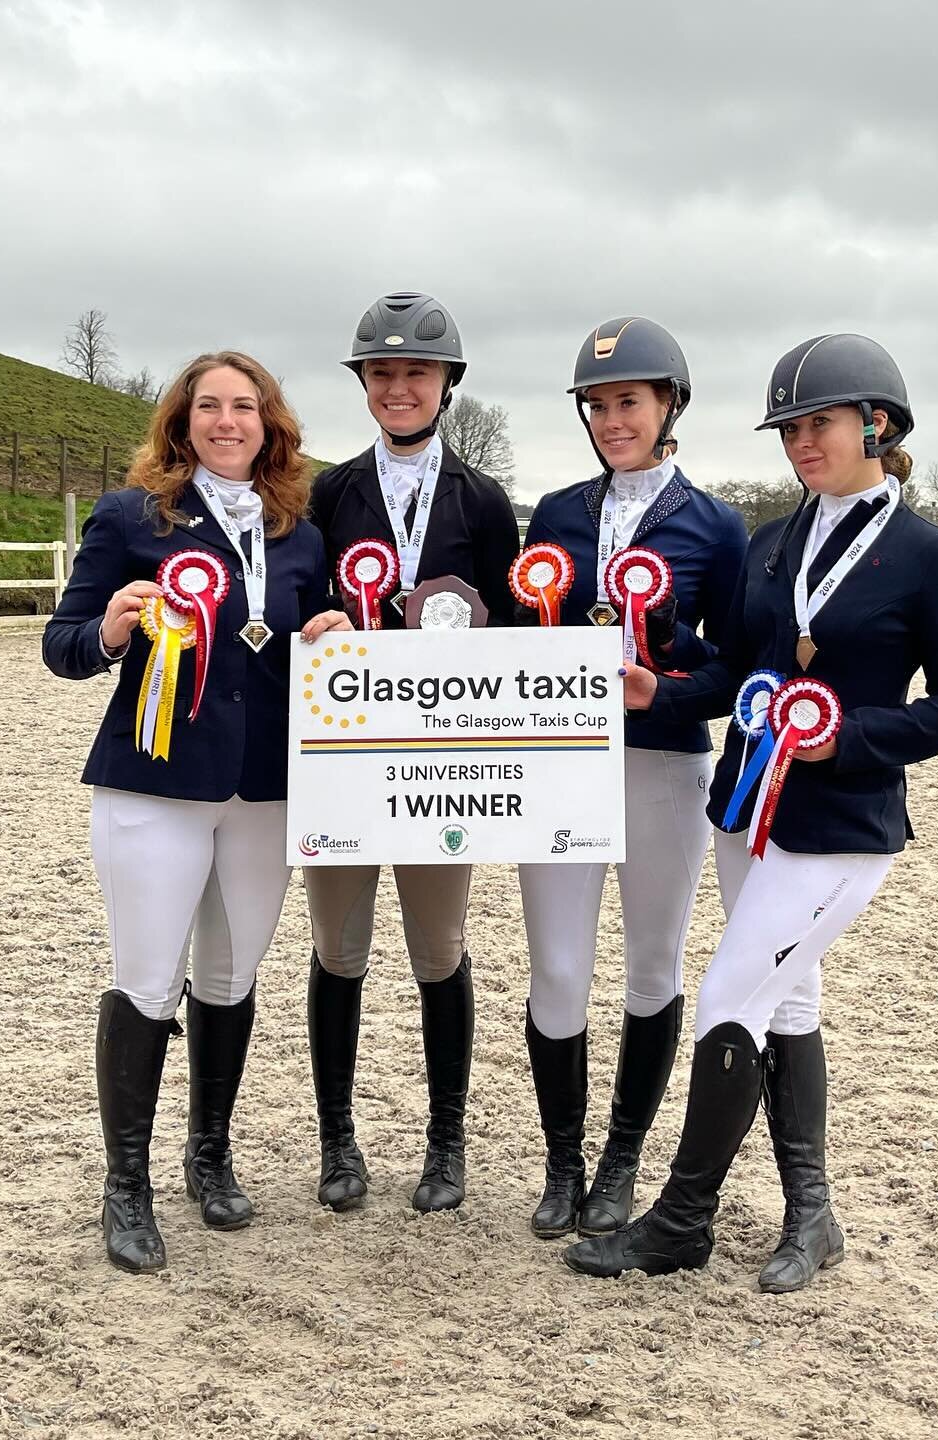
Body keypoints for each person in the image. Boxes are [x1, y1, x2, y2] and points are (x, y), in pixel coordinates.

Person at [564, 333, 938, 1289]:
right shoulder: (772, 544)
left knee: (726, 1000)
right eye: (790, 427)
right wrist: (659, 689)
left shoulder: (931, 557)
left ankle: (683, 1218)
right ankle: (813, 1215)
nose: (801, 442)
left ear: (876, 424)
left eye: (820, 423)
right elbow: (736, 669)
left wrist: (852, 740)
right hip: (746, 812)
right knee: (787, 1001)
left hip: (840, 828)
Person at [43, 351, 340, 1273]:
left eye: (244, 406)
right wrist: (112, 632)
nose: (226, 420)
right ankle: (124, 1184)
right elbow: (63, 643)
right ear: (181, 421)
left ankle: (208, 1155)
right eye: (207, 406)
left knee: (231, 971)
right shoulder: (132, 517)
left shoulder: (301, 531)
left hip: (264, 788)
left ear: (270, 423)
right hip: (156, 781)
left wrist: (334, 632)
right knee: (147, 975)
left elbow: (304, 642)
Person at [517, 317, 748, 1240]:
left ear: (669, 408)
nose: (615, 419)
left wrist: (666, 681)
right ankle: (561, 1160)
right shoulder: (558, 514)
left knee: (652, 963)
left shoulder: (716, 526)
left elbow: (738, 671)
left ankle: (621, 1159)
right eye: (600, 405)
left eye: (631, 403)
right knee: (559, 969)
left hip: (662, 766)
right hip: (561, 766)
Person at [301, 291, 520, 1214]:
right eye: (382, 374)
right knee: (337, 950)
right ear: (364, 387)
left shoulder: (484, 502)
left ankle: (445, 1141)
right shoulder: (327, 494)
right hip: (348, 762)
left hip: (444, 767)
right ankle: (339, 1143)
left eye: (415, 374)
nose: (399, 388)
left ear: (445, 387)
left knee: (439, 950)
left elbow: (513, 629)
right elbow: (303, 602)